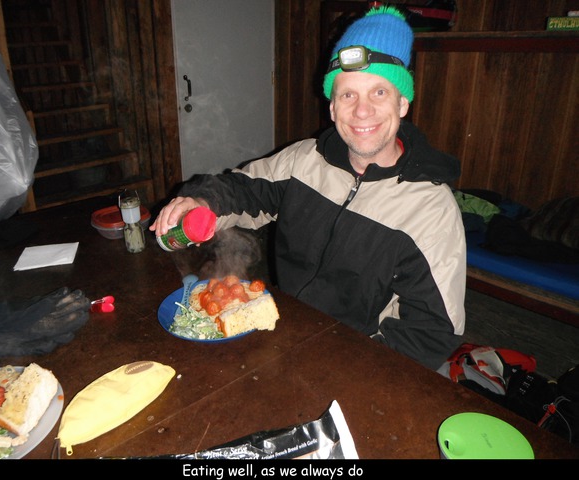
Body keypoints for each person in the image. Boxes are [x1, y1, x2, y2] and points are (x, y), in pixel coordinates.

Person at [151, 6, 466, 370]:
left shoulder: (431, 211)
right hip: (285, 330)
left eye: (379, 92)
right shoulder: (303, 160)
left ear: (403, 103)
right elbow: (242, 189)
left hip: (356, 360)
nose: (362, 111)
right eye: (348, 95)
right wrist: (201, 200)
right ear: (332, 107)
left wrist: (340, 367)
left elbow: (430, 333)